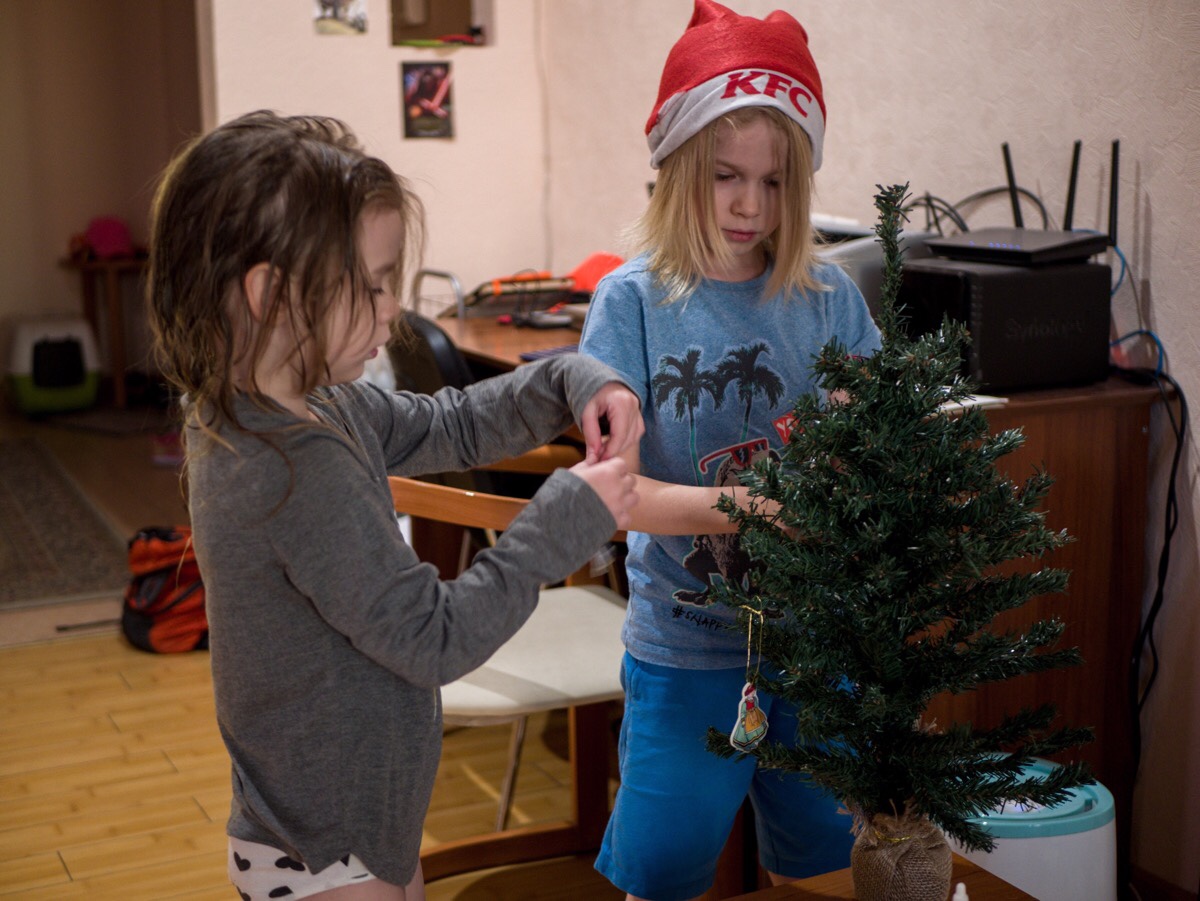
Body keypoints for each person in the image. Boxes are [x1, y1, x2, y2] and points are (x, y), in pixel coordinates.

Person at [146, 110, 641, 901]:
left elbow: (454, 421)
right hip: (325, 849)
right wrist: (566, 516)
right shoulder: (287, 470)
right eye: (372, 284)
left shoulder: (314, 406)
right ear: (270, 293)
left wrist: (571, 379)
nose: (392, 308)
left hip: (355, 823)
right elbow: (434, 637)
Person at [577, 3, 883, 899]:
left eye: (775, 181)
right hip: (684, 653)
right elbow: (616, 491)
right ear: (678, 167)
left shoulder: (829, 298)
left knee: (827, 864)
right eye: (725, 177)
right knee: (664, 870)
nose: (752, 204)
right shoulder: (630, 303)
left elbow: (869, 442)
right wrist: (740, 509)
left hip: (817, 647)